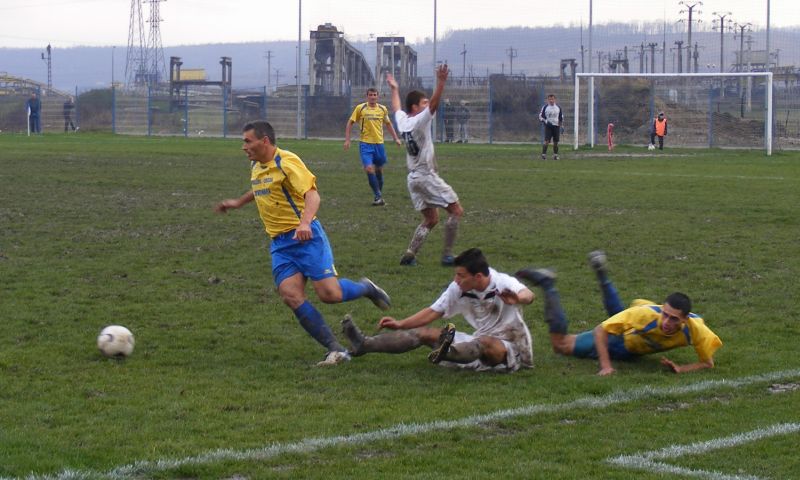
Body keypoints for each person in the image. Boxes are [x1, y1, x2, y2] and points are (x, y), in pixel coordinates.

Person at [214, 120, 392, 366]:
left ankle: (366, 288)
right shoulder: (257, 166)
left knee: (329, 295)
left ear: (264, 141)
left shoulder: (286, 162)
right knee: (290, 295)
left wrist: (305, 223)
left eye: (247, 141)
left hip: (306, 238)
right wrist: (237, 202)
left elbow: (312, 194)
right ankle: (336, 350)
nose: (243, 146)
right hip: (280, 244)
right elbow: (261, 189)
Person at [516, 250, 722, 376]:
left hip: (634, 336)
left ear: (685, 319)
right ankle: (548, 285)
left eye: (674, 318)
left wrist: (680, 368)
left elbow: (707, 363)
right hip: (622, 340)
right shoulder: (647, 316)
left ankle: (602, 273)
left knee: (621, 316)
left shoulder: (697, 330)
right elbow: (600, 331)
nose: (667, 321)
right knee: (561, 345)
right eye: (665, 314)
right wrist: (606, 366)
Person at [341, 248, 535, 372]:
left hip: (510, 348)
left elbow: (529, 295)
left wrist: (518, 298)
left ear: (477, 276)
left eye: (460, 275)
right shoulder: (458, 288)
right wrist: (401, 323)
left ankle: (447, 352)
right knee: (424, 333)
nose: (456, 280)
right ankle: (364, 344)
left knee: (483, 342)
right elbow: (433, 312)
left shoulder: (502, 283)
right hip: (474, 344)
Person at [387, 64, 464, 267]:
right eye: (423, 102)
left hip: (413, 178)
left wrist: (394, 89)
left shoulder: (404, 121)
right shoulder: (420, 121)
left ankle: (410, 254)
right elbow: (434, 105)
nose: (427, 104)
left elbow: (396, 108)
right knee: (456, 210)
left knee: (431, 219)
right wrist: (441, 82)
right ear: (415, 107)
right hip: (425, 175)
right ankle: (448, 255)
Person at [343, 87, 401, 206]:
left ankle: (378, 195)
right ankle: (378, 196)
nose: (373, 97)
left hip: (379, 144)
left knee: (379, 170)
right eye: (370, 95)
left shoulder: (382, 109)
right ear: (367, 96)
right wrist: (347, 139)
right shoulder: (361, 108)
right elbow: (350, 122)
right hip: (365, 144)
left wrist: (396, 138)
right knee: (369, 168)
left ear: (377, 96)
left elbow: (388, 124)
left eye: (375, 95)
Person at [539, 94, 563, 160]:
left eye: (552, 99)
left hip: (556, 126)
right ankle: (543, 155)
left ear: (555, 100)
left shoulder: (558, 107)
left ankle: (555, 155)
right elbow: (540, 117)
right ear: (548, 100)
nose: (551, 100)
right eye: (550, 99)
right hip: (548, 127)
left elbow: (560, 117)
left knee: (556, 142)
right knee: (547, 141)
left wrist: (561, 126)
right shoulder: (545, 107)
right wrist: (546, 122)